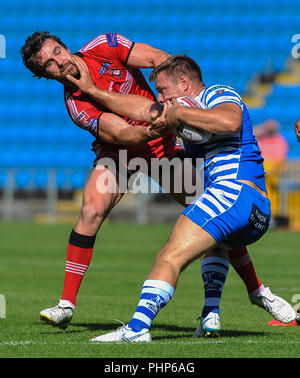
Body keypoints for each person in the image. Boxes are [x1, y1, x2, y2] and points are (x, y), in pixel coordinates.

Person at [20, 33, 292, 337]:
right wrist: (159, 120)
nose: (60, 62)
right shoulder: (76, 105)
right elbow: (122, 134)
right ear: (47, 75)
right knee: (91, 209)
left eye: (58, 52)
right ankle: (66, 304)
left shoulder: (103, 47)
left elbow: (157, 59)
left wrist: (179, 98)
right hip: (123, 147)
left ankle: (252, 292)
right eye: (51, 66)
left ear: (65, 46)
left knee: (212, 210)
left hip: (160, 137)